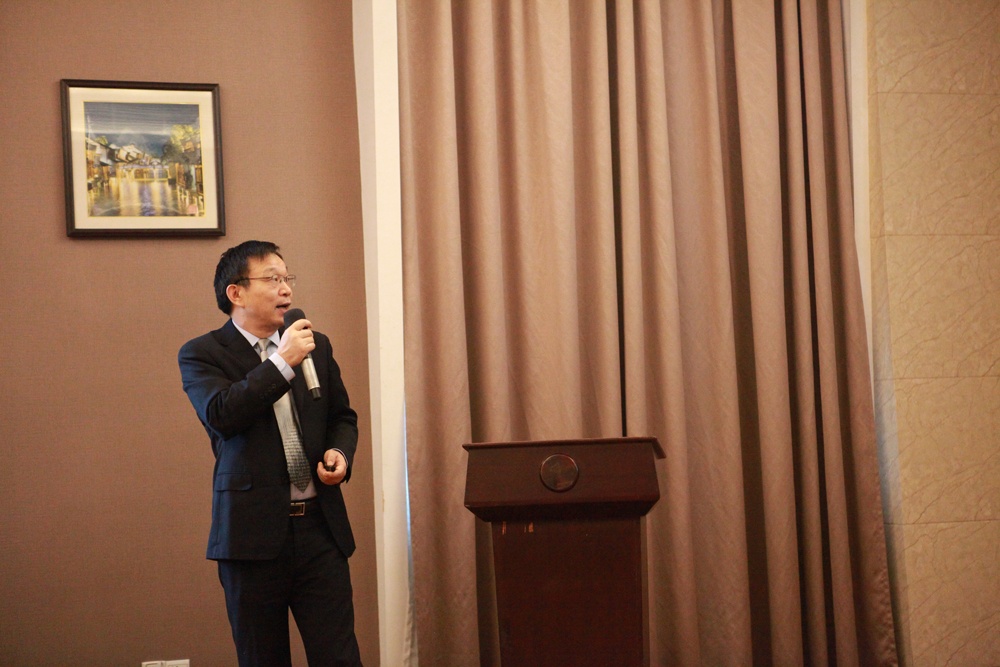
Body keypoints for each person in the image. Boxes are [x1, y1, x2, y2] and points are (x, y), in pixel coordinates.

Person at [178, 240, 362, 666]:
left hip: (320, 531)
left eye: (287, 278)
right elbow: (222, 415)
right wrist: (282, 362)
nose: (286, 289)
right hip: (251, 538)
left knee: (340, 658)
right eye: (273, 279)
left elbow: (342, 416)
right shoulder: (202, 353)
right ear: (236, 293)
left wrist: (340, 452)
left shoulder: (316, 347)